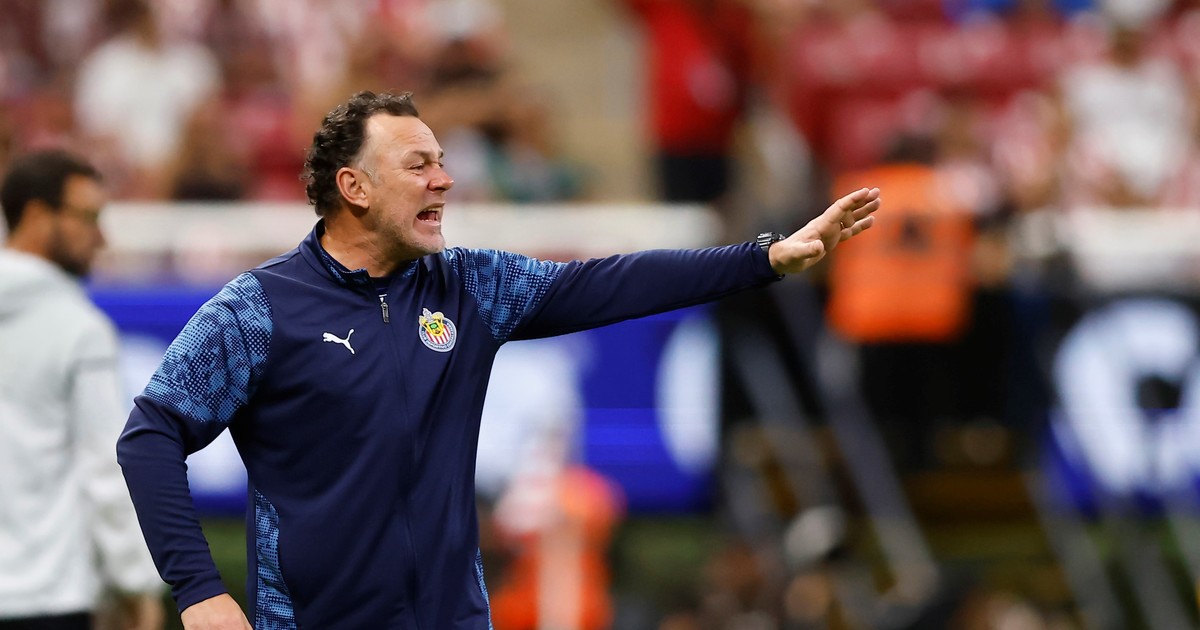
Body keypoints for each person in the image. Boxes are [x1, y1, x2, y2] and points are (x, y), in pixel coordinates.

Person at [116, 90, 880, 629]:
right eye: (418, 165)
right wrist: (199, 590)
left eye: (442, 161)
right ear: (354, 187)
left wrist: (763, 258)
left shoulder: (469, 287)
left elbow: (612, 282)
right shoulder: (259, 309)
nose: (444, 180)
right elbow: (150, 434)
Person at [0, 150, 165, 629]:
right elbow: (105, 470)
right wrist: (135, 583)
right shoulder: (79, 329)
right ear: (37, 215)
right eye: (88, 217)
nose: (102, 237)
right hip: (47, 598)